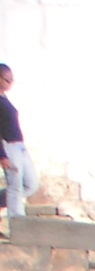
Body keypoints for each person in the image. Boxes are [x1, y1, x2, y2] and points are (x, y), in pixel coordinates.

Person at [0, 64, 37, 219]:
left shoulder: (4, 98)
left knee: (30, 184)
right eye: (7, 80)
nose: (10, 83)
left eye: (12, 80)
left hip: (19, 147)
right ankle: (18, 224)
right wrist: (2, 156)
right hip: (8, 147)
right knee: (15, 187)